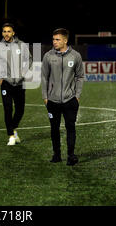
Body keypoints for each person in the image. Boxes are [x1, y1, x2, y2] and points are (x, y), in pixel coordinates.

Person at [41, 28, 84, 165]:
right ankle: (57, 154)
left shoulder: (75, 56)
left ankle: (71, 155)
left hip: (70, 99)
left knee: (70, 127)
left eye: (57, 39)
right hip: (52, 100)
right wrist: (45, 97)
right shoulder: (48, 56)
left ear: (65, 40)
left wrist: (77, 95)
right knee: (54, 128)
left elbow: (80, 76)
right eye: (53, 39)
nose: (54, 42)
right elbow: (44, 78)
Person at [0, 23, 32, 146]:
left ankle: (13, 128)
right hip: (6, 83)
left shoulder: (21, 45)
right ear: (2, 33)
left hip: (19, 83)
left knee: (20, 110)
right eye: (4, 31)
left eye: (8, 31)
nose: (6, 33)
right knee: (8, 109)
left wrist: (24, 72)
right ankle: (11, 136)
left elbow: (29, 59)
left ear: (13, 33)